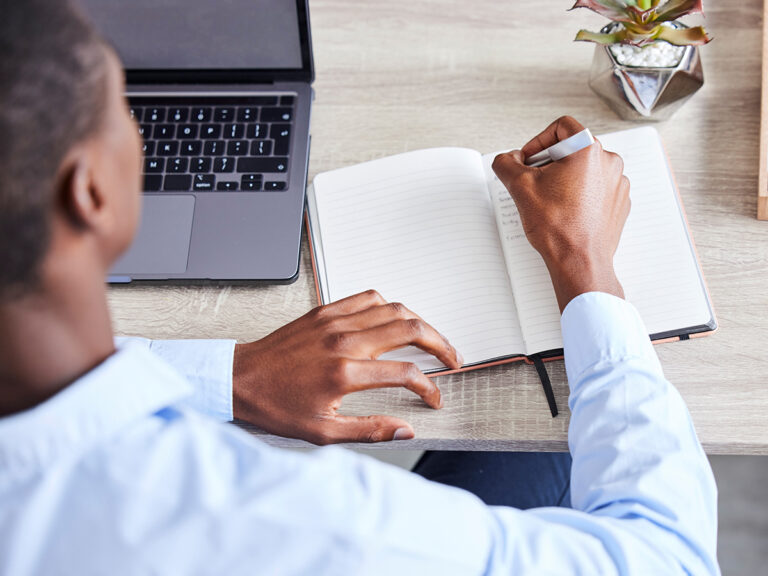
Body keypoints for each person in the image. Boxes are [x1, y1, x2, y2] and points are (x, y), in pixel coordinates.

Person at [0, 1, 719, 575]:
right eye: (124, 112)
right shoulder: (300, 523)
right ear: (91, 192)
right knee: (551, 440)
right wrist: (582, 259)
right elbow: (668, 556)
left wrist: (229, 376)